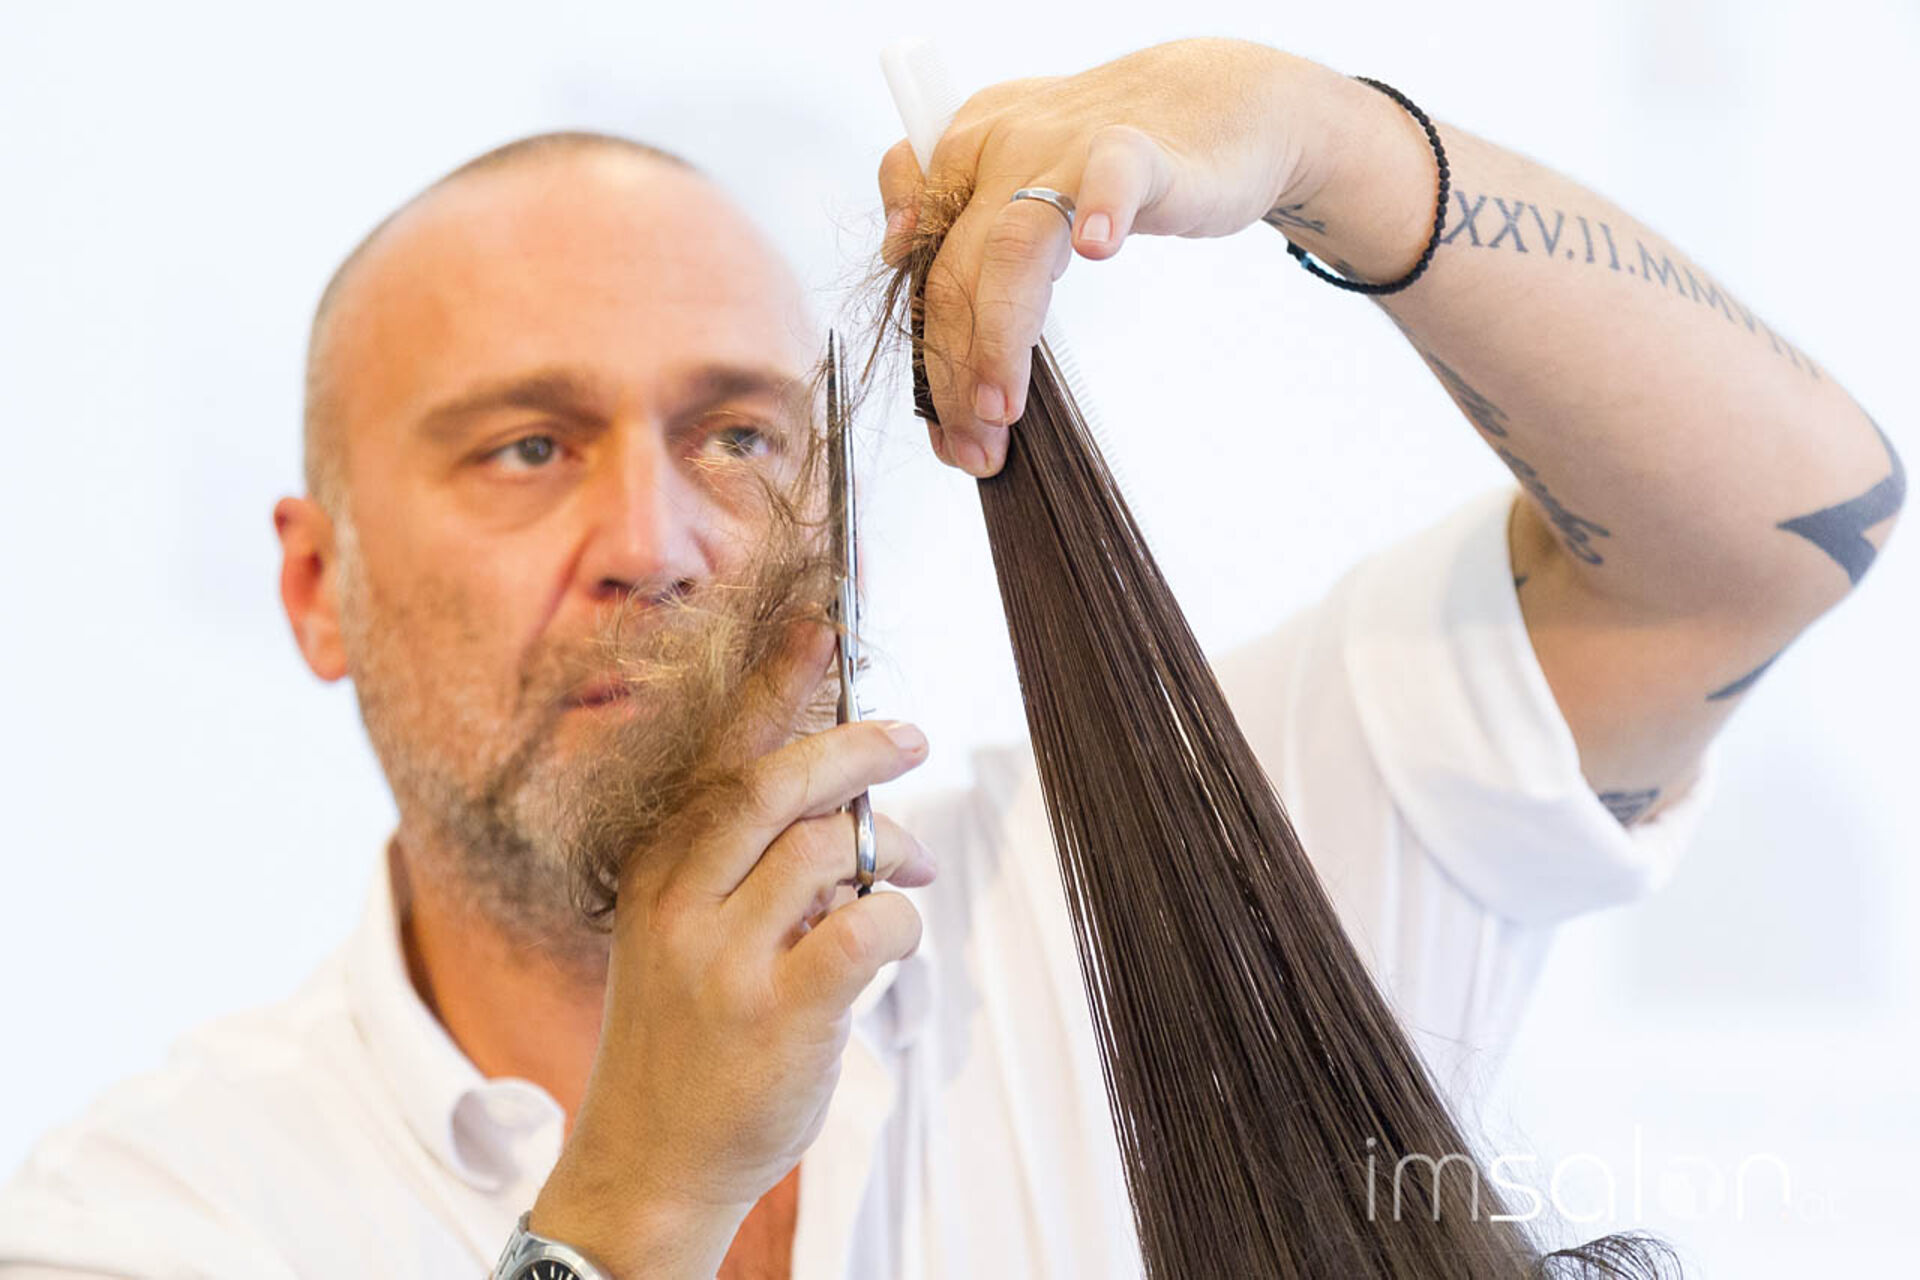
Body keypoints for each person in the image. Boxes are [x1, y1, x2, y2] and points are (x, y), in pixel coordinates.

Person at [0, 36, 1899, 1280]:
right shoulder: (154, 1213)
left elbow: (1756, 545)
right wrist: (641, 1204)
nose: (654, 542)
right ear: (316, 585)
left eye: (739, 435)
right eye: (526, 447)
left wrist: (1327, 142)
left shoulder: (1204, 880)